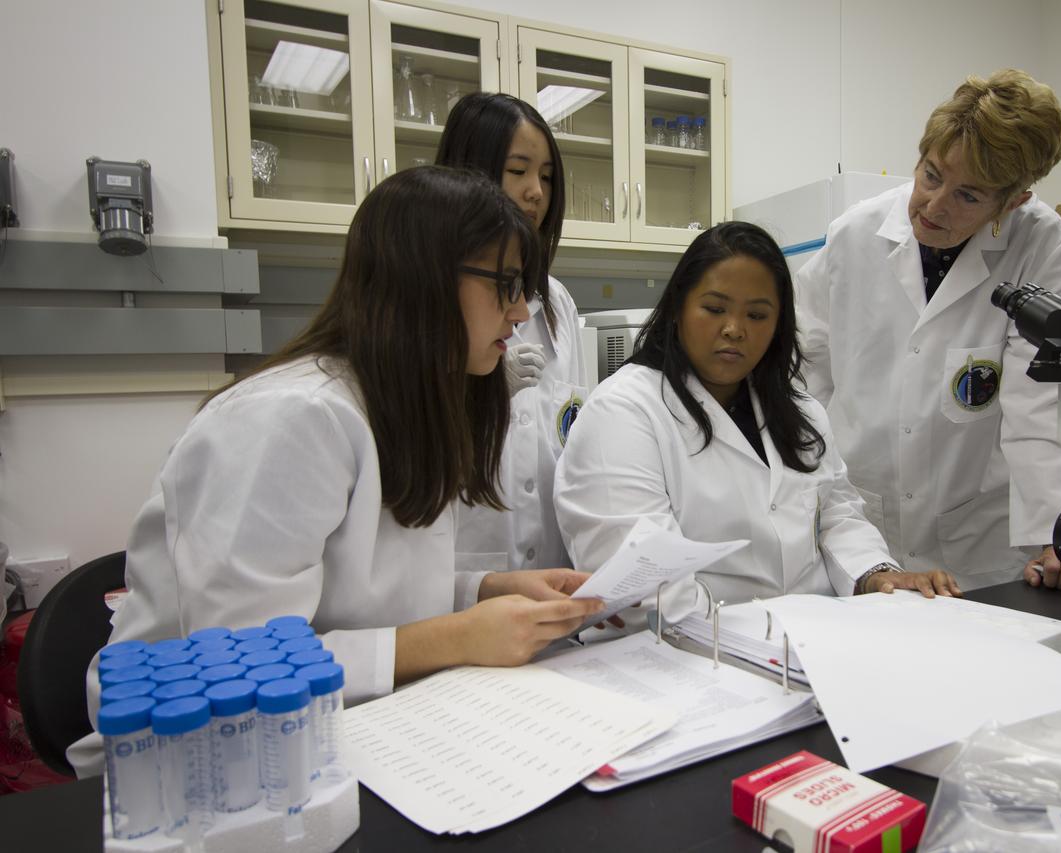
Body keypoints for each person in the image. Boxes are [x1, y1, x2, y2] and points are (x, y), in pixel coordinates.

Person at [72, 167, 605, 776]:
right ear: (423, 281)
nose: (518, 313)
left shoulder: (406, 403)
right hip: (193, 765)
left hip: (355, 730)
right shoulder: (287, 419)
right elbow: (246, 664)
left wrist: (481, 592)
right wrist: (461, 635)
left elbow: (358, 596)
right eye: (506, 285)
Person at [556, 221, 958, 623]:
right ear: (678, 307)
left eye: (757, 314)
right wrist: (773, 639)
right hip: (683, 656)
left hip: (809, 642)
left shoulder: (799, 409)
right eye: (714, 309)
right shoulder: (624, 412)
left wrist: (876, 575)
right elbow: (644, 586)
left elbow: (836, 515)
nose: (734, 329)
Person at [794, 69, 1061, 591]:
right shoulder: (856, 234)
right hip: (862, 524)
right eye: (931, 175)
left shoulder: (1042, 246)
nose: (933, 205)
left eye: (968, 197)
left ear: (1012, 201)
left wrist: (1053, 532)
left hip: (976, 540)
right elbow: (804, 374)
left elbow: (1038, 401)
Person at [437, 92, 590, 574]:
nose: (536, 192)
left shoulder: (557, 302)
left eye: (545, 176)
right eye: (517, 170)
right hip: (465, 562)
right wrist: (475, 387)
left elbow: (574, 428)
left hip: (552, 561)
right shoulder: (433, 291)